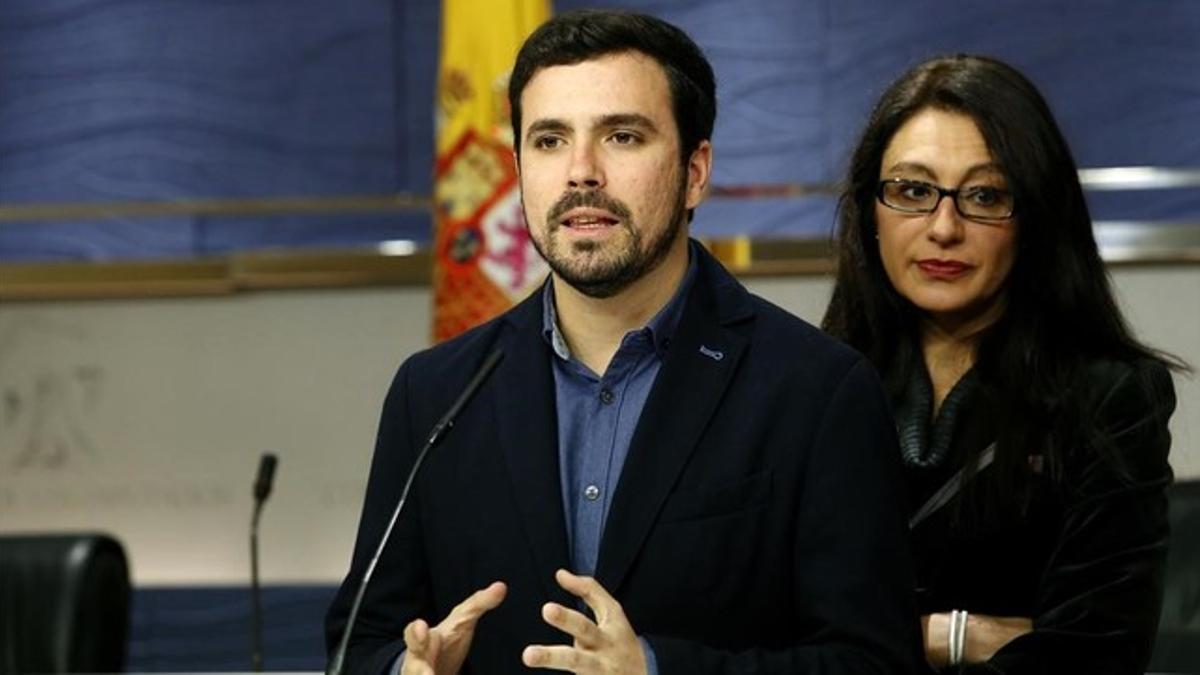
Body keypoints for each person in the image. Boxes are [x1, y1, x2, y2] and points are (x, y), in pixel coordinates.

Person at [326, 9, 922, 675]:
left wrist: (658, 670)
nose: (581, 172)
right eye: (550, 141)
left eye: (622, 136)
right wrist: (404, 670)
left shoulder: (816, 390)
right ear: (517, 165)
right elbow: (358, 641)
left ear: (695, 171)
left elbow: (876, 662)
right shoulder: (436, 392)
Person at [822, 54, 1184, 674]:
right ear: (869, 211)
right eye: (912, 191)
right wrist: (972, 634)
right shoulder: (809, 383)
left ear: (1035, 217)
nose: (943, 228)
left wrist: (926, 636)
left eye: (985, 195)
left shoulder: (1111, 396)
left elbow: (1097, 652)